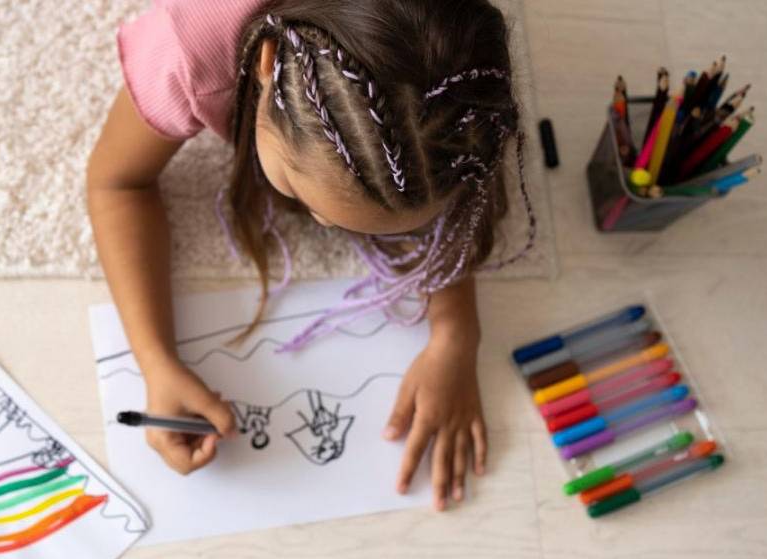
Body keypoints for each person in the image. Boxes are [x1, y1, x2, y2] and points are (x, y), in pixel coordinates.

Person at [87, 0, 534, 511]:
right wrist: (156, 361)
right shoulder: (187, 52)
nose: (322, 227)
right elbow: (115, 183)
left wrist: (457, 331)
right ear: (267, 62)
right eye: (301, 193)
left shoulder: (460, 79)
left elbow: (450, 176)